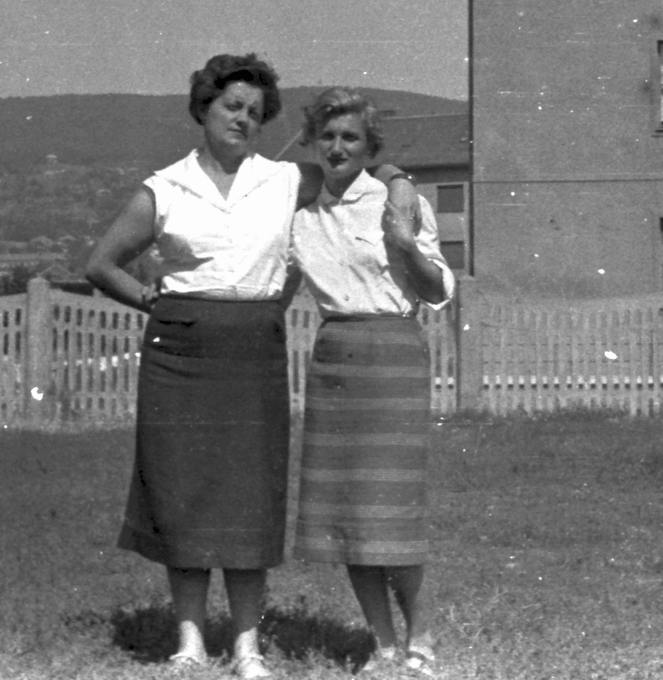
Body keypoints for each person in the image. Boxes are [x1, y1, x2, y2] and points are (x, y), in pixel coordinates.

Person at [84, 56, 419, 677]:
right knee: (181, 494)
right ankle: (188, 643)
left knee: (249, 496)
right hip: (178, 351)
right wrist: (149, 300)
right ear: (203, 109)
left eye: (254, 112)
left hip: (252, 347)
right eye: (231, 107)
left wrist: (399, 183)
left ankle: (246, 646)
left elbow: (360, 168)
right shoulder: (166, 187)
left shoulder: (287, 179)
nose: (243, 119)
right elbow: (101, 263)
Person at [289, 88, 454, 676]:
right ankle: (382, 644)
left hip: (393, 353)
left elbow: (435, 291)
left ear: (369, 146)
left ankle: (423, 638)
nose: (337, 148)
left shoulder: (398, 200)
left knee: (392, 509)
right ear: (313, 142)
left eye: (350, 137)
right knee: (346, 512)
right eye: (328, 136)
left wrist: (405, 242)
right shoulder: (299, 209)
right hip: (333, 355)